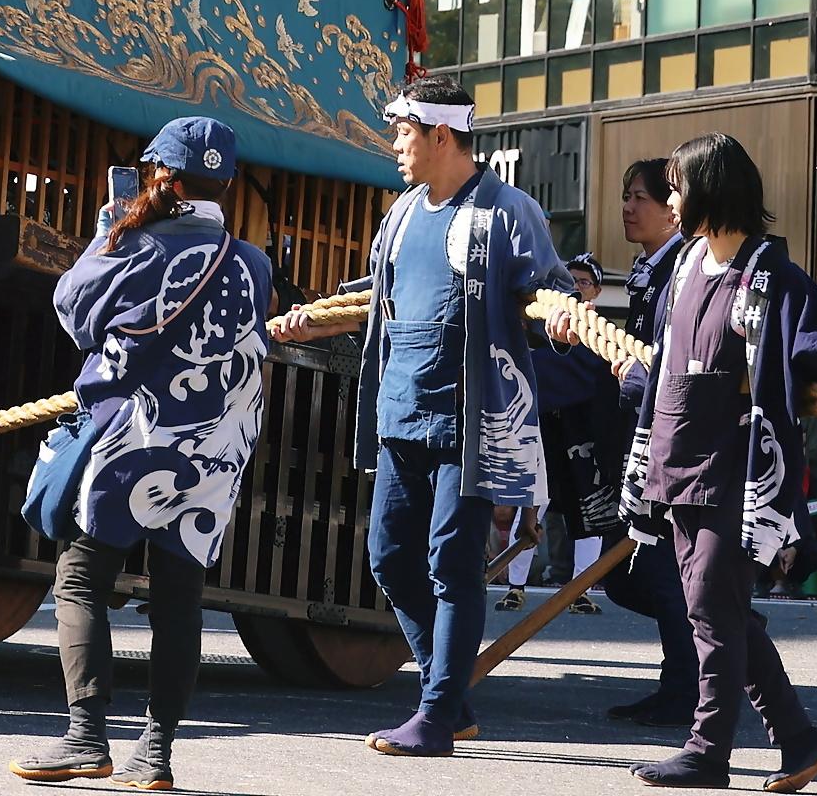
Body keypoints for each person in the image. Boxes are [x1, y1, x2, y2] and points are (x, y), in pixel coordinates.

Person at [270, 75, 568, 758]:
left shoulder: (506, 208)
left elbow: (551, 287)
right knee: (389, 559)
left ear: (440, 134)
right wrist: (314, 316)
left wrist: (561, 315)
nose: (395, 145)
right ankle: (451, 697)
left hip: (472, 420)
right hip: (401, 411)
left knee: (451, 566)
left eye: (403, 132)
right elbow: (372, 292)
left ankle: (436, 714)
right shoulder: (402, 212)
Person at [13, 117, 273, 790]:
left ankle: (85, 738)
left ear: (162, 177)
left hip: (139, 439)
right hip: (217, 450)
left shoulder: (136, 250)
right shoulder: (253, 262)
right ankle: (154, 755)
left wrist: (109, 231)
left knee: (80, 580)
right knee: (180, 600)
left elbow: (72, 309)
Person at [612, 132, 817, 790]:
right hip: (677, 465)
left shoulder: (768, 273)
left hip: (734, 471)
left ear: (709, 189)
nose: (671, 198)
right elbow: (662, 362)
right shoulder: (687, 265)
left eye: (678, 186)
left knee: (713, 614)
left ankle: (707, 750)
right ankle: (799, 738)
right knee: (720, 613)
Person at [599, 156, 701, 727]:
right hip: (638, 438)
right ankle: (696, 668)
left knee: (660, 574)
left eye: (642, 197)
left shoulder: (679, 270)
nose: (628, 207)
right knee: (631, 575)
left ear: (673, 209)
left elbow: (672, 361)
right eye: (626, 195)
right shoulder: (647, 272)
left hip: (669, 445)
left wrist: (637, 374)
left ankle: (687, 684)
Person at [500, 254, 617, 616]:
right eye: (571, 281)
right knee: (530, 502)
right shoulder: (539, 322)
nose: (577, 287)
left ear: (596, 290)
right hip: (542, 423)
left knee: (590, 507)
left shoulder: (603, 333)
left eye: (583, 282)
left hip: (581, 429)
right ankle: (515, 585)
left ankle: (581, 587)